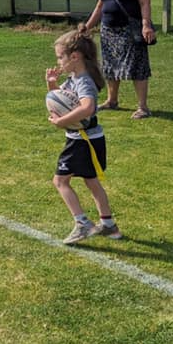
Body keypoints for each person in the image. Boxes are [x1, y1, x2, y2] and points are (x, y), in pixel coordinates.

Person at [46, 27, 122, 245]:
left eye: (60, 57)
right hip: (90, 138)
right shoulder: (75, 77)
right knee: (91, 181)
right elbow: (63, 99)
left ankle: (82, 223)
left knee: (60, 181)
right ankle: (108, 225)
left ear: (75, 56)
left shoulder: (84, 81)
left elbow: (87, 107)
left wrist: (62, 121)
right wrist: (52, 84)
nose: (59, 62)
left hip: (82, 140)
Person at [81, 0, 155, 119]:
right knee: (110, 67)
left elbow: (145, 2)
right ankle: (111, 100)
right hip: (108, 31)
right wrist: (87, 27)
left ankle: (143, 107)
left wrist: (146, 24)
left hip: (130, 30)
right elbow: (100, 6)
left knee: (137, 67)